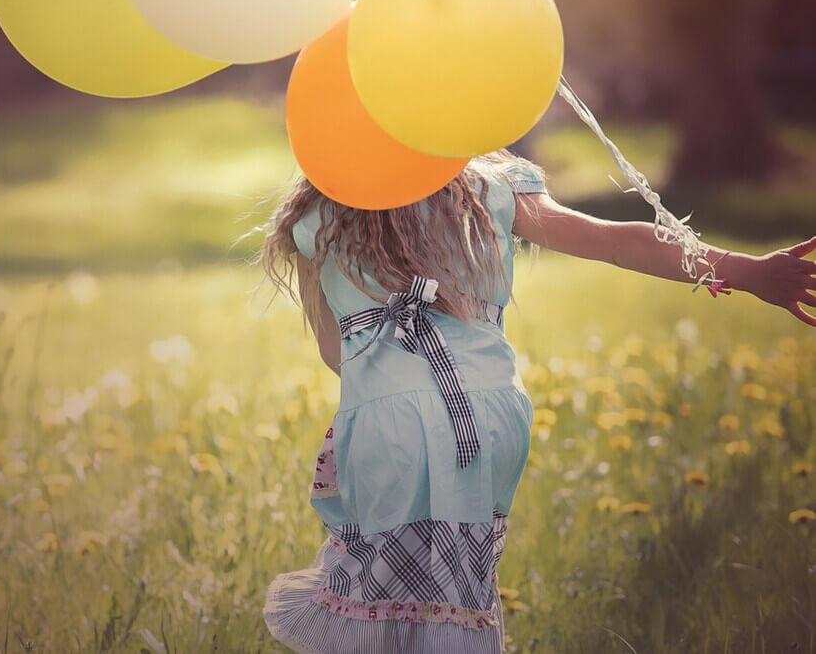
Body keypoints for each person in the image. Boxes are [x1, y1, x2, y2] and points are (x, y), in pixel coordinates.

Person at [256, 150, 816, 653]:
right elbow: (617, 240)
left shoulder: (318, 213)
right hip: (488, 412)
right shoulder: (485, 182)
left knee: (385, 597)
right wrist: (748, 271)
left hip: (389, 418)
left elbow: (336, 352)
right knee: (461, 589)